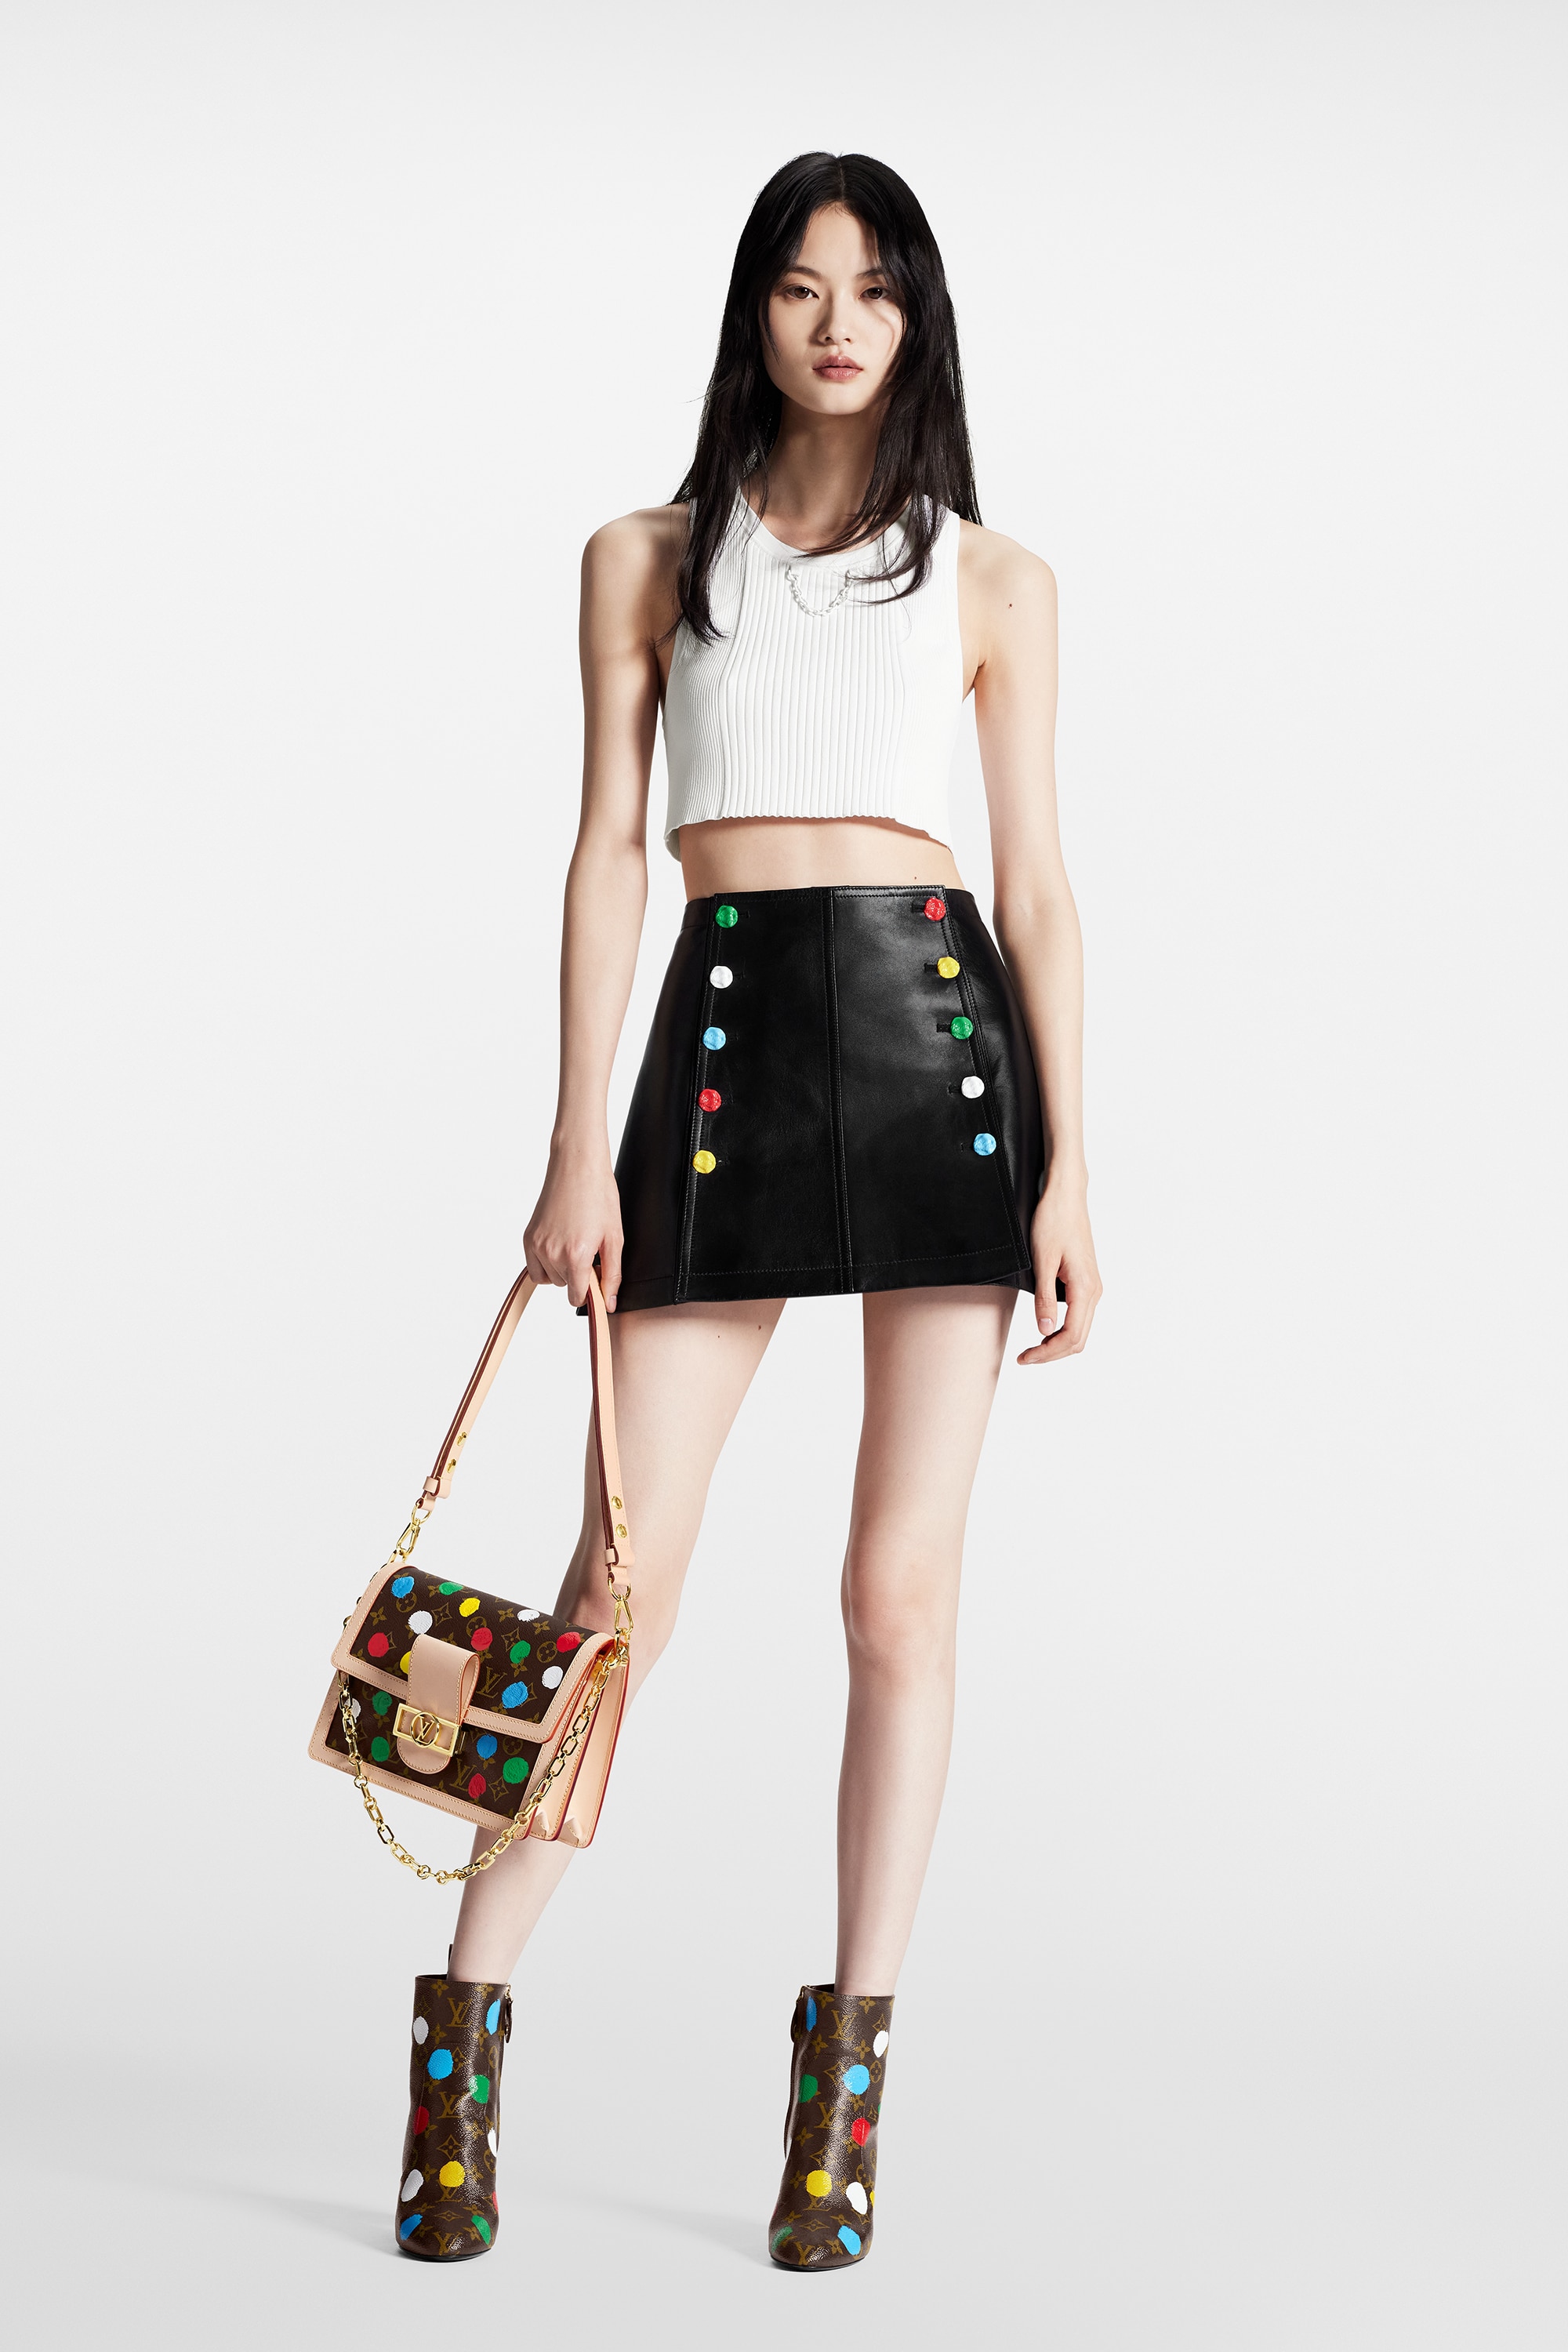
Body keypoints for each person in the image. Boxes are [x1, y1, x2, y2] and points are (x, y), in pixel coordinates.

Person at [392, 148, 1101, 2270]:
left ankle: (840, 2108)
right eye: (802, 285)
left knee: (899, 1597)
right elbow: (609, 848)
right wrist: (569, 1147)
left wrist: (1073, 1164)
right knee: (617, 1585)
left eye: (874, 289)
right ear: (755, 313)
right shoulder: (643, 555)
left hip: (935, 1052)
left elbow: (1039, 883)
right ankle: (458, 2050)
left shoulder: (994, 579)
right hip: (713, 1059)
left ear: (917, 318)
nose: (837, 322)